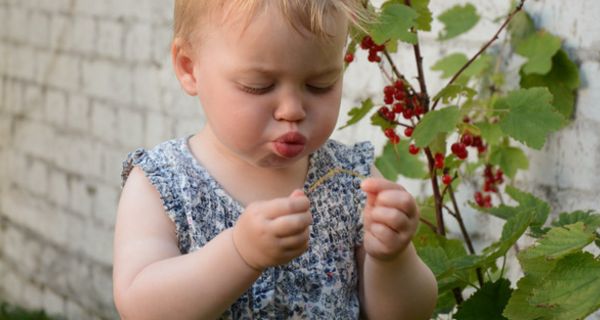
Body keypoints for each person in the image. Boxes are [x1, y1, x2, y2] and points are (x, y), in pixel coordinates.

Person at [113, 0, 437, 319]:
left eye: (320, 85)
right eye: (259, 86)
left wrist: (392, 259)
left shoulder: (351, 178)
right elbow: (140, 307)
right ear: (189, 67)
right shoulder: (163, 183)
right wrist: (239, 253)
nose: (292, 110)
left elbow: (407, 314)